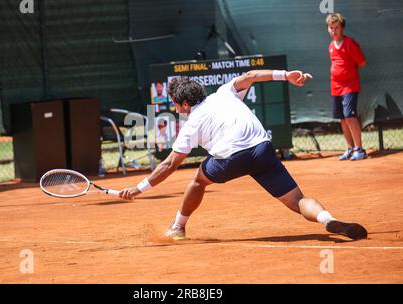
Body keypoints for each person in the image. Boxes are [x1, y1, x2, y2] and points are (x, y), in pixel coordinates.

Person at [119, 70, 368, 241]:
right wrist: (285, 76)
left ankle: (178, 227)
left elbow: (170, 163)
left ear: (185, 104)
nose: (175, 108)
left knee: (198, 180)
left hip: (231, 159)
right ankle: (328, 219)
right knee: (298, 200)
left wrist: (138, 188)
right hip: (262, 150)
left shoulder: (191, 123)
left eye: (175, 104)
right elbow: (251, 76)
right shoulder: (225, 92)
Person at [326, 13, 367, 161]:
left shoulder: (350, 43)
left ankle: (359, 149)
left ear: (342, 28)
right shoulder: (331, 46)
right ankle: (350, 148)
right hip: (335, 86)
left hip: (349, 86)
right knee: (342, 118)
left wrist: (348, 74)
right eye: (331, 28)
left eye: (336, 28)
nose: (334, 31)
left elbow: (362, 62)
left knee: (350, 116)